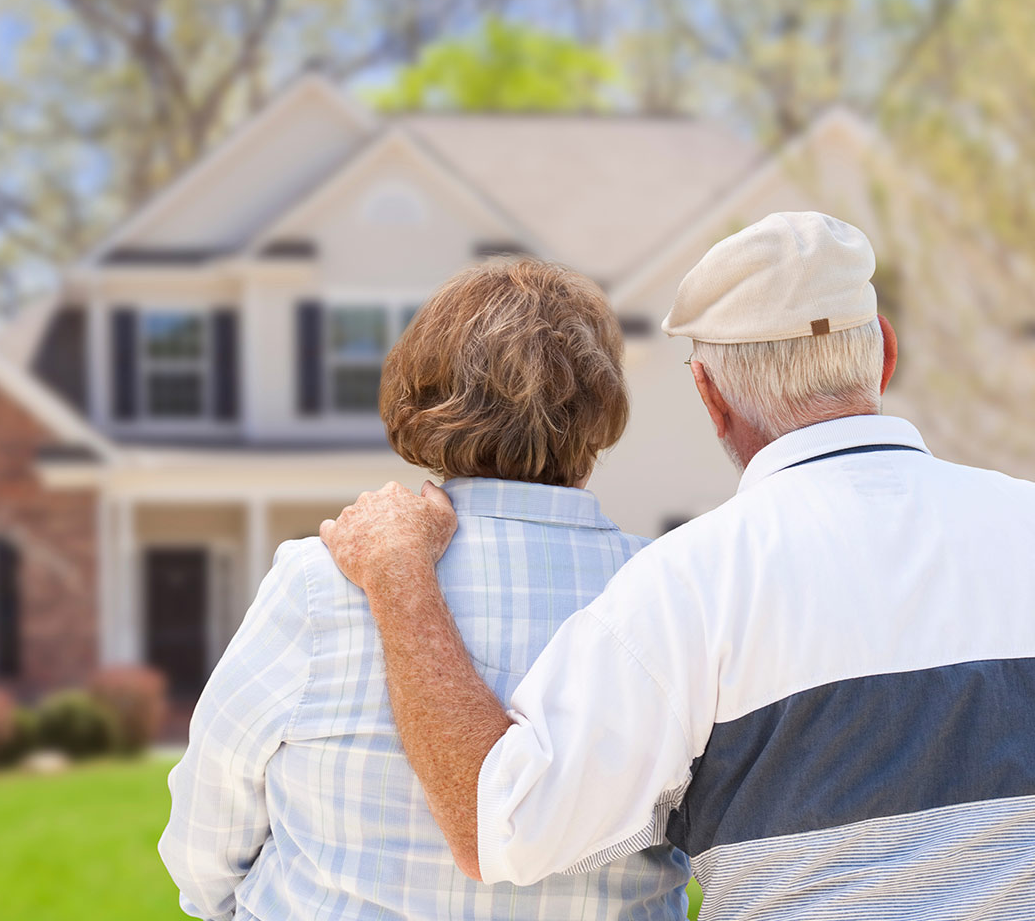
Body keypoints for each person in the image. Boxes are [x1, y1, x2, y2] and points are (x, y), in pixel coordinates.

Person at [318, 211, 1035, 921]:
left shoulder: (692, 584)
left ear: (710, 396)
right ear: (883, 352)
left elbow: (500, 827)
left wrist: (399, 573)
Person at [159, 260, 692, 920]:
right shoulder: (670, 595)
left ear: (424, 397)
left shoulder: (321, 582)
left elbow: (212, 815)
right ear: (599, 413)